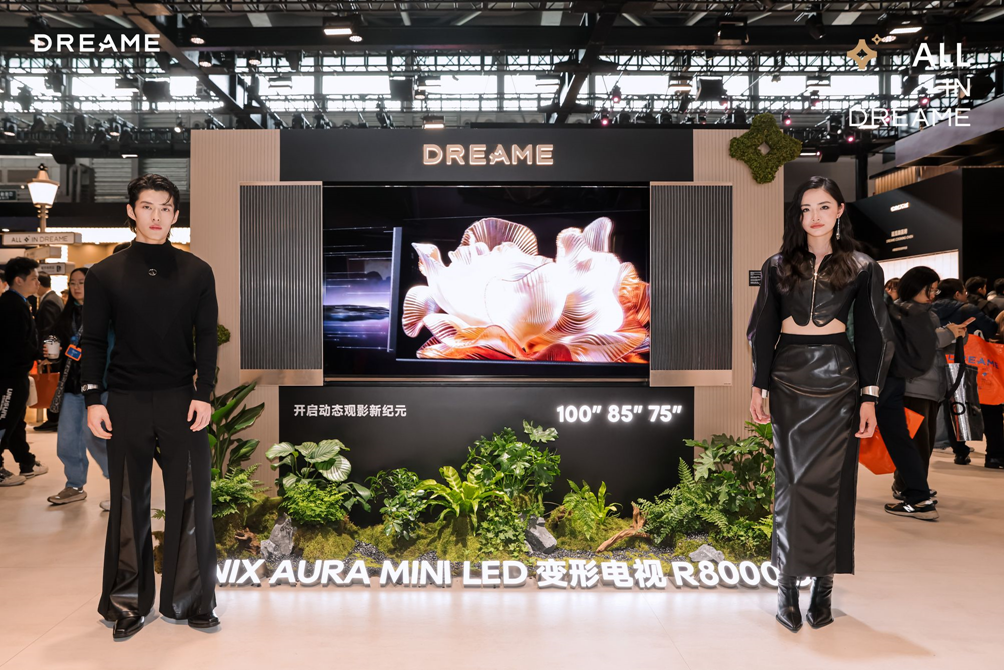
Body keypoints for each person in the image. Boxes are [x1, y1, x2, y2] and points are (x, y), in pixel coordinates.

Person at [748, 176, 892, 633]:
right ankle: (787, 590)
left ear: (840, 210)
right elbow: (761, 329)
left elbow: (873, 335)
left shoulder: (863, 266)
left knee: (834, 484)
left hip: (839, 378)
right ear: (798, 214)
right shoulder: (777, 265)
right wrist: (758, 385)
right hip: (788, 376)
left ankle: (823, 590)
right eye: (806, 208)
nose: (815, 216)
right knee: (791, 484)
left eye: (824, 206)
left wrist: (869, 396)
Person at [82, 174, 219, 639]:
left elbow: (207, 338)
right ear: (131, 211)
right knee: (126, 501)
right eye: (147, 207)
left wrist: (204, 392)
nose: (156, 216)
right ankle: (127, 603)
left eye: (164, 208)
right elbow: (93, 341)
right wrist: (92, 398)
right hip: (125, 400)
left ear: (176, 215)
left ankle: (193, 601)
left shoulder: (197, 271)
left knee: (192, 499)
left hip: (182, 399)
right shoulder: (104, 273)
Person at [886, 267, 963, 518]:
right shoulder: (905, 311)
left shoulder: (916, 311)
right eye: (931, 289)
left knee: (923, 444)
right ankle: (913, 493)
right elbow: (922, 344)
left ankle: (911, 488)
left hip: (927, 386)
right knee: (917, 444)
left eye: (935, 290)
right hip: (913, 387)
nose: (933, 294)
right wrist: (949, 333)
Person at [46, 267, 112, 509]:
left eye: (82, 282)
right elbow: (56, 341)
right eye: (72, 283)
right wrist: (51, 352)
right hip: (72, 386)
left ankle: (120, 485)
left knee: (96, 438)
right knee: (67, 440)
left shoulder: (105, 312)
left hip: (99, 386)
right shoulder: (67, 315)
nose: (76, 287)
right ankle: (74, 486)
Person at [932, 278, 1001, 466]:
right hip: (974, 365)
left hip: (944, 365)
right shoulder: (968, 309)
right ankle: (994, 455)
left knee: (953, 407)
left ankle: (960, 452)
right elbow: (991, 329)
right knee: (989, 407)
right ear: (957, 294)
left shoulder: (929, 311)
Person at [0, 257, 50, 486]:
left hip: (16, 373)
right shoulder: (11, 305)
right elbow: (16, 342)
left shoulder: (18, 303)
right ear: (18, 280)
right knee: (5, 419)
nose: (37, 283)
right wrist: (38, 353)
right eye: (33, 278)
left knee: (15, 419)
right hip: (8, 375)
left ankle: (26, 461)